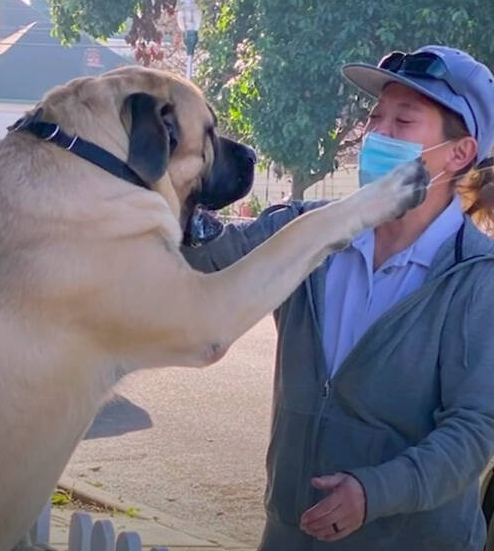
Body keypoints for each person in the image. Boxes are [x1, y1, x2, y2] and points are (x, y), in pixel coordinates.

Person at [184, 45, 494, 550]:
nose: (378, 134)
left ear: (459, 153)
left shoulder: (476, 278)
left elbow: (472, 431)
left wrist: (373, 493)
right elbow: (212, 258)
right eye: (376, 117)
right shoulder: (310, 235)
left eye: (404, 121)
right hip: (290, 532)